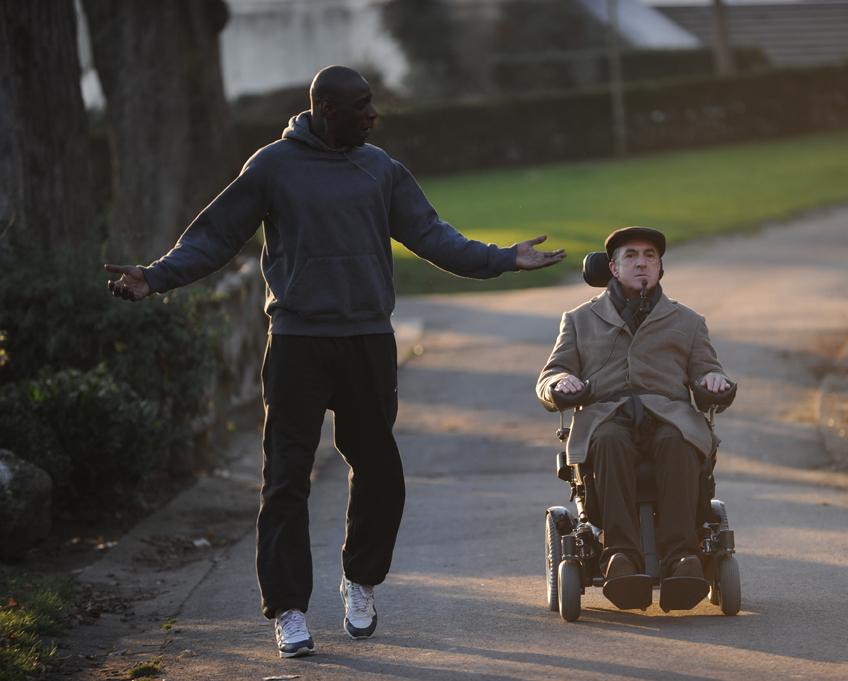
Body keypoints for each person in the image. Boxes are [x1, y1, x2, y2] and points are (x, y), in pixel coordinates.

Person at [105, 65, 565, 659]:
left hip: (367, 341)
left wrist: (501, 259)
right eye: (362, 106)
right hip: (297, 343)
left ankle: (360, 579)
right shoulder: (271, 166)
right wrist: (156, 277)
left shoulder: (381, 169)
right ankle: (290, 610)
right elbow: (215, 237)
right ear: (326, 111)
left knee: (380, 471)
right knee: (285, 479)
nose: (374, 116)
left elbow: (432, 235)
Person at [535, 226, 731, 584]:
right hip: (605, 415)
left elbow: (707, 370)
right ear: (613, 267)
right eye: (631, 256)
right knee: (610, 442)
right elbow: (551, 374)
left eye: (650, 256)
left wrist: (712, 382)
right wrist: (560, 383)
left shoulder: (687, 321)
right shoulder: (579, 320)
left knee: (678, 443)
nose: (641, 263)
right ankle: (620, 556)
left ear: (660, 269)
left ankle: (682, 558)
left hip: (668, 414)